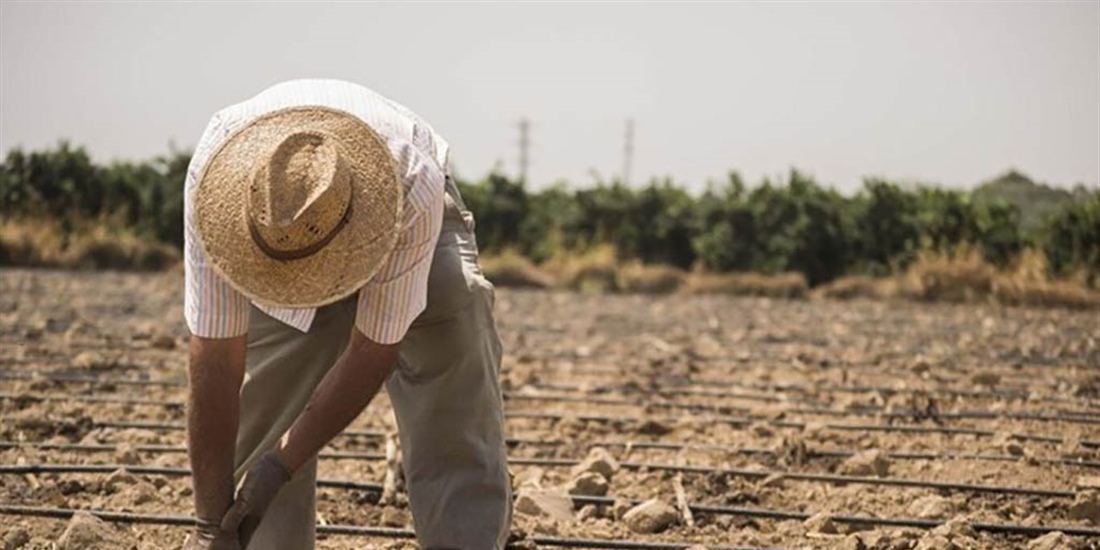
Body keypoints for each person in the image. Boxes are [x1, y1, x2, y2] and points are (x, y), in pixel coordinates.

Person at [181, 79, 511, 550]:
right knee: (269, 399)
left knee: (452, 346)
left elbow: (371, 350)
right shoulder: (213, 190)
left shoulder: (410, 178)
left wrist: (280, 465)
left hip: (403, 211)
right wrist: (208, 522)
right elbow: (215, 361)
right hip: (274, 230)